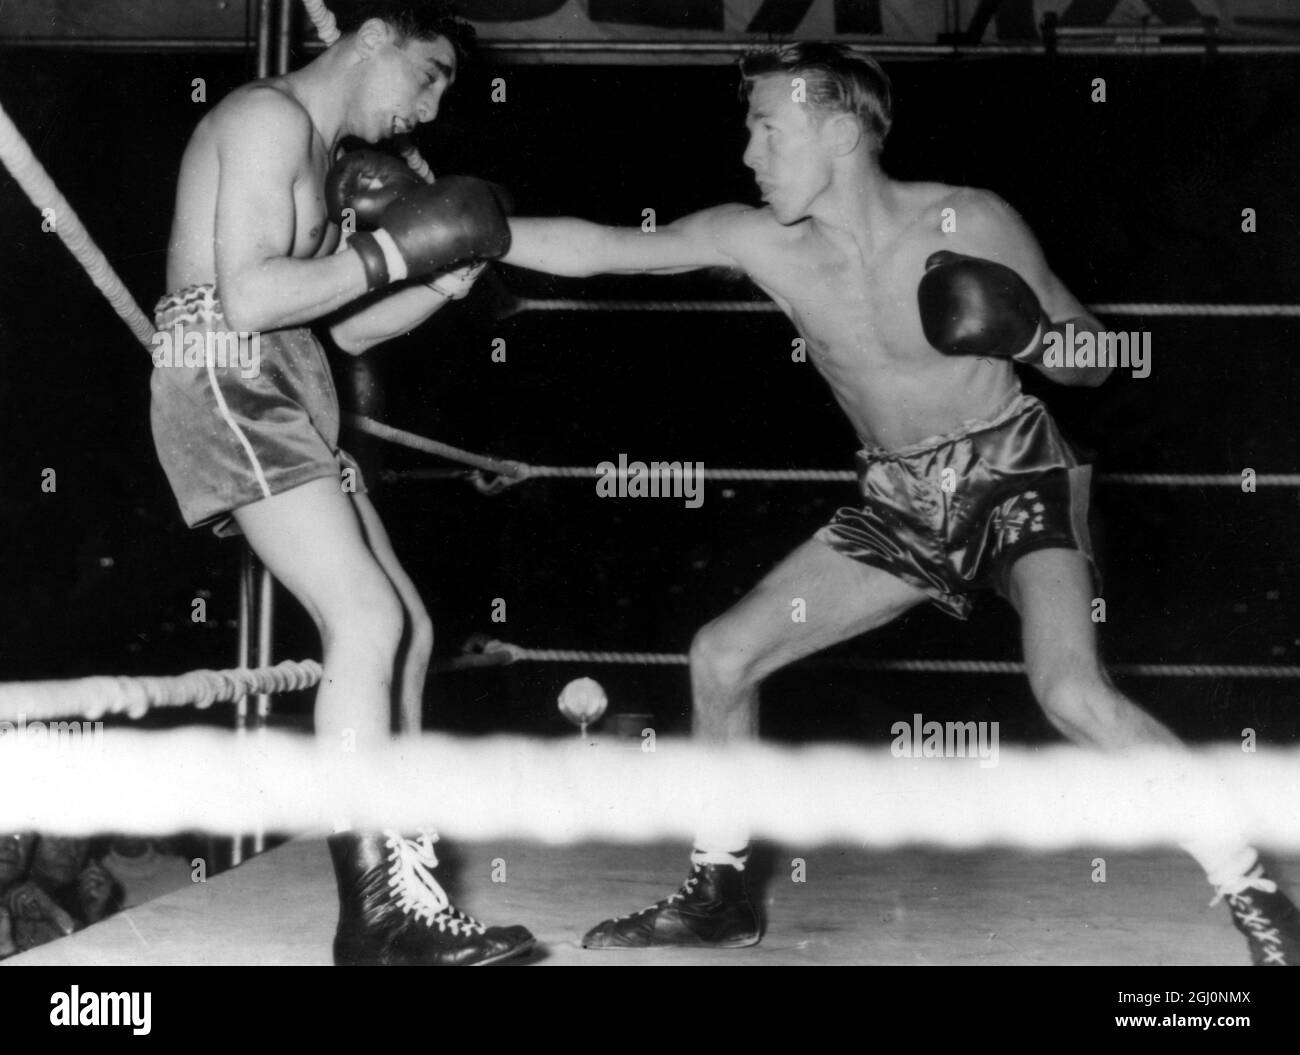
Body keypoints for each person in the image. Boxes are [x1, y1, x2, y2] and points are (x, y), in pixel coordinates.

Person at [500, 42, 1300, 965]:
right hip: (899, 499)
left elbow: (1103, 353)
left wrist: (1034, 335)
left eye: (767, 128)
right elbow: (606, 250)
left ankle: (1253, 890)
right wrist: (477, 229)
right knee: (723, 655)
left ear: (840, 132)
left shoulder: (971, 219)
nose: (749, 153)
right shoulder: (758, 239)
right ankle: (720, 893)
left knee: (1072, 690)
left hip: (1015, 475)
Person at [152, 0, 532, 965]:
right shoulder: (268, 116)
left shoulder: (319, 155)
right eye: (430, 74)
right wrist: (400, 247)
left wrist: (436, 279)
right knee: (364, 619)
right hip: (228, 367)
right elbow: (247, 294)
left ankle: (411, 884)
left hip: (289, 375)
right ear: (375, 39)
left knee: (405, 623)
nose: (432, 107)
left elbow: (351, 327)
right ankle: (374, 916)